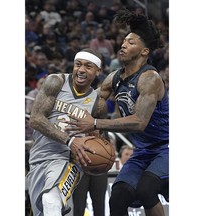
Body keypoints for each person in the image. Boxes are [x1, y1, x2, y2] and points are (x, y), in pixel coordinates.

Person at [65, 9, 169, 216]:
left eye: (131, 42)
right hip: (143, 151)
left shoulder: (150, 78)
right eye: (123, 41)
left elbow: (139, 122)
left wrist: (95, 124)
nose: (123, 45)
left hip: (167, 148)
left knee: (147, 189)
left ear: (144, 51)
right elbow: (94, 102)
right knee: (118, 196)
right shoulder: (114, 77)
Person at [26, 48, 108, 216]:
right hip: (39, 157)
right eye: (78, 64)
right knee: (44, 209)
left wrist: (97, 153)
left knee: (51, 200)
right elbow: (35, 118)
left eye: (88, 66)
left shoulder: (98, 105)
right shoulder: (56, 82)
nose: (81, 70)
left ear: (98, 71)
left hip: (67, 160)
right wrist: (69, 140)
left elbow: (99, 139)